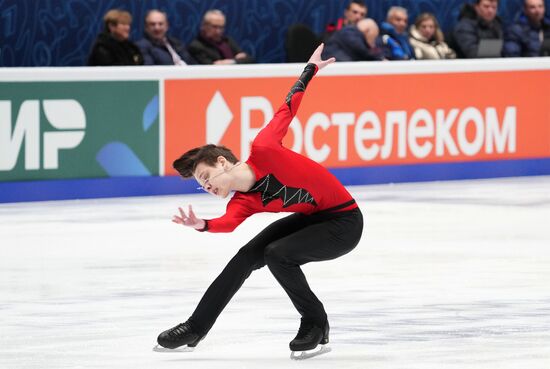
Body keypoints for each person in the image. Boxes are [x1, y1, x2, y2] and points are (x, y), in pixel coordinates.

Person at [156, 44, 363, 355]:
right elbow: (227, 224)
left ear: (221, 162)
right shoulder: (244, 201)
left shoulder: (264, 147)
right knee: (246, 256)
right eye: (201, 186)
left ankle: (315, 322)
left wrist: (310, 70)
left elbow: (287, 107)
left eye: (205, 177)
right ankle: (196, 327)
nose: (207, 187)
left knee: (277, 253)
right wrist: (203, 224)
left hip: (345, 222)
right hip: (313, 218)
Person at [188, 9, 254, 65]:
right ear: (204, 26)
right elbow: (210, 69)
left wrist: (231, 62)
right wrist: (237, 60)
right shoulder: (196, 46)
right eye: (214, 27)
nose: (218, 31)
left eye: (221, 27)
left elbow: (249, 60)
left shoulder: (227, 41)